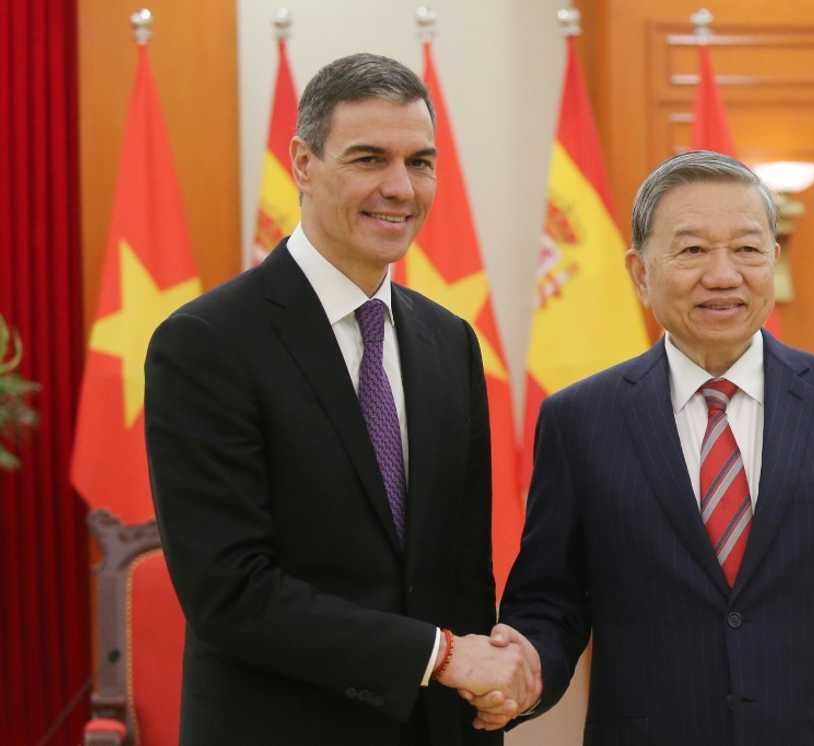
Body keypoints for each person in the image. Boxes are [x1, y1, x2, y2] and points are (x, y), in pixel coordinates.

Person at [474, 150, 814, 744]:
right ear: (640, 272)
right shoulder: (579, 421)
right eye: (692, 250)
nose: (723, 274)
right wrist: (523, 669)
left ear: (772, 260)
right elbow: (552, 602)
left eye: (747, 249)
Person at [144, 53, 538, 746]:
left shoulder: (451, 343)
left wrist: (487, 687)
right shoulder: (205, 343)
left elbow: (462, 574)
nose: (400, 188)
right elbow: (230, 593)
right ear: (302, 163)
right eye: (368, 159)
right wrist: (440, 656)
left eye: (420, 162)